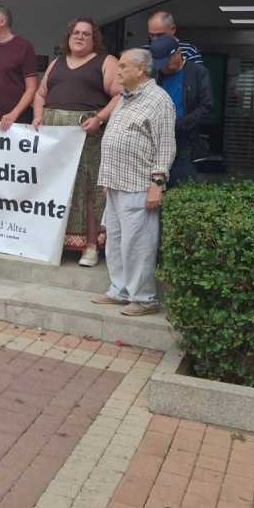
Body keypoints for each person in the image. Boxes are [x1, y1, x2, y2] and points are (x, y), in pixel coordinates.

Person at [93, 48, 176, 317]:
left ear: (140, 70)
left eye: (123, 66)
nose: (117, 71)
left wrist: (157, 184)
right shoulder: (124, 98)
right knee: (116, 242)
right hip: (116, 182)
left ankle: (144, 299)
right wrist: (106, 179)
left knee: (138, 245)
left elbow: (165, 146)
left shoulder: (158, 100)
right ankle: (120, 291)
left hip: (139, 184)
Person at [33, 18, 119, 267]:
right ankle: (55, 243)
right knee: (56, 187)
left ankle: (90, 246)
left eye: (86, 34)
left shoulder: (106, 61)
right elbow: (40, 93)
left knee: (87, 189)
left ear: (94, 39)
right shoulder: (57, 62)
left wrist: (100, 119)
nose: (80, 37)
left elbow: (119, 95)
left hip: (86, 136)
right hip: (55, 138)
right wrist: (38, 115)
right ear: (68, 37)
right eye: (76, 33)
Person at [151, 34, 213, 186]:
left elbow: (206, 106)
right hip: (157, 140)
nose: (164, 67)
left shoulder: (197, 72)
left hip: (185, 141)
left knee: (180, 184)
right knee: (155, 186)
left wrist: (180, 124)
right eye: (160, 64)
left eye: (166, 62)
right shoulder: (156, 75)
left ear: (178, 53)